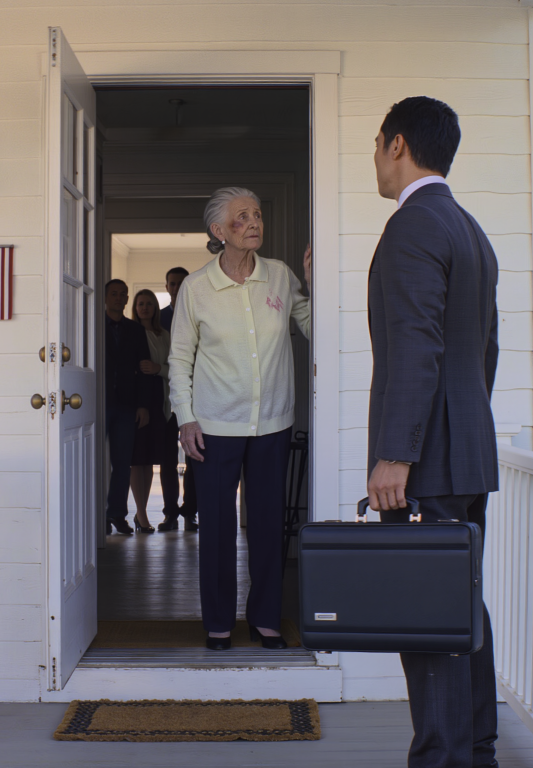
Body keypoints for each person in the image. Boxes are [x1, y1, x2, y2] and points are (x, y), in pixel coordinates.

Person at [366, 96, 500, 768]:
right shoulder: (468, 228)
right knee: (461, 609)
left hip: (427, 463)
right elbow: (485, 353)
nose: (375, 160)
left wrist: (397, 454)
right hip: (466, 453)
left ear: (397, 145)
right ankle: (475, 750)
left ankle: (446, 759)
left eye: (376, 146)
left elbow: (417, 345)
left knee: (428, 621)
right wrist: (463, 427)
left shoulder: (413, 225)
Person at [169, 187, 311, 651]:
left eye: (257, 214)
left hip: (272, 422)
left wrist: (317, 285)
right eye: (242, 217)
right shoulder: (196, 288)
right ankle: (218, 622)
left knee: (268, 525)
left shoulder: (280, 277)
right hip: (213, 426)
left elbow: (316, 327)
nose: (254, 223)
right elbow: (179, 360)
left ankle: (266, 617)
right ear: (218, 231)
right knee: (216, 528)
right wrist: (186, 418)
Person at [104, 278, 151, 535]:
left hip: (126, 405)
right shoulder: (92, 325)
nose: (118, 298)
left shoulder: (135, 330)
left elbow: (144, 369)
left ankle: (117, 514)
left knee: (122, 462)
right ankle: (97, 514)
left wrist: (142, 405)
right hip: (98, 404)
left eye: (123, 294)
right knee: (95, 461)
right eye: (114, 293)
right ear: (105, 297)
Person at [157, 266, 198, 533]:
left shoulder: (198, 312)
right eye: (172, 283)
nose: (176, 288)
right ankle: (170, 512)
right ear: (167, 286)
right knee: (167, 460)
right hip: (163, 399)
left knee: (194, 457)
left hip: (194, 396)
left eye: (181, 283)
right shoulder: (157, 318)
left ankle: (190, 512)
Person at [129, 289, 171, 533]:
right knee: (137, 460)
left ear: (155, 308)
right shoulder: (132, 333)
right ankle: (142, 514)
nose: (144, 308)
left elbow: (173, 366)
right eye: (140, 304)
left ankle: (140, 512)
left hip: (160, 400)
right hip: (139, 401)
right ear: (135, 308)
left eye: (148, 304)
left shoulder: (164, 334)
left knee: (149, 461)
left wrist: (158, 368)